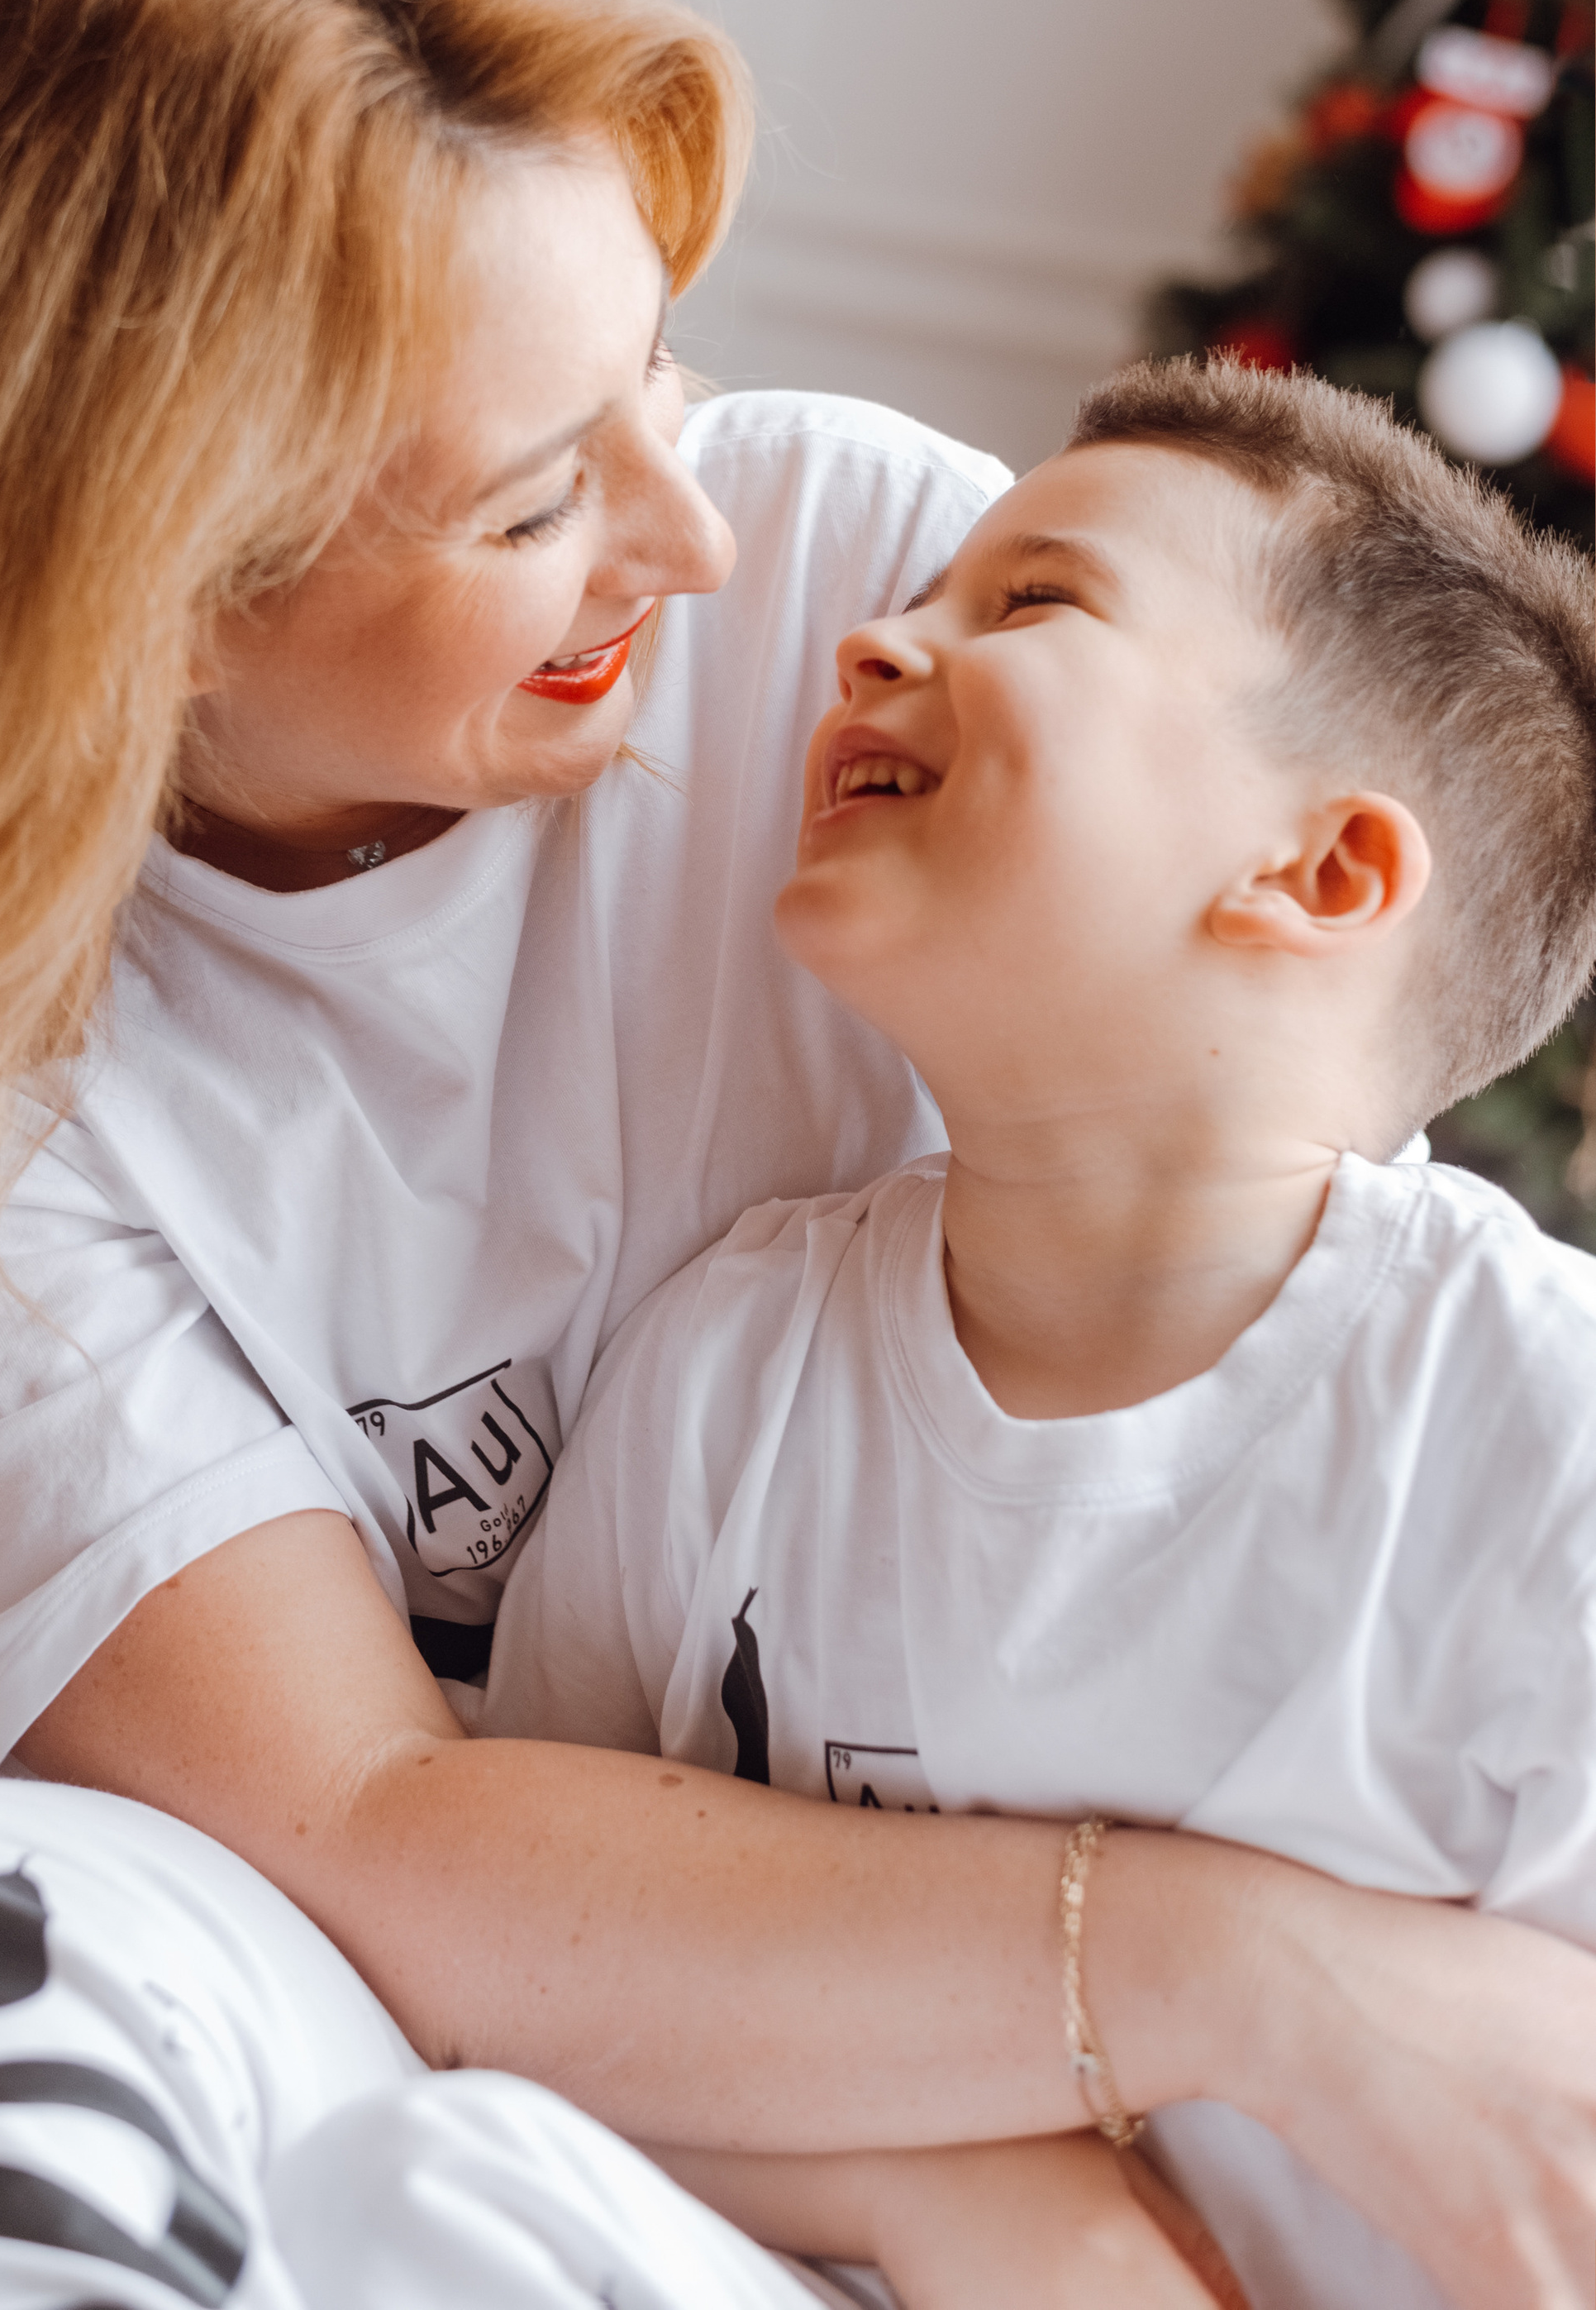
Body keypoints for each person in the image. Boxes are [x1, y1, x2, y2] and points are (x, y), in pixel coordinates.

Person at [0, 0, 1596, 2310]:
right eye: (536, 499)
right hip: (536, 2044)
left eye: (664, 376)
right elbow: (371, 1836)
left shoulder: (856, 590)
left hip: (1073, 2132)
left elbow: (1268, 1110)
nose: (702, 540)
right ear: (149, 596)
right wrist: (1121, 2061)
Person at [482, 358, 1596, 2308]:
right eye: (920, 595)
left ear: (1320, 871)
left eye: (1031, 603)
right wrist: (939, 2190)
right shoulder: (724, 1372)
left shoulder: (1535, 1441)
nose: (867, 644)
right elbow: (526, 1985)